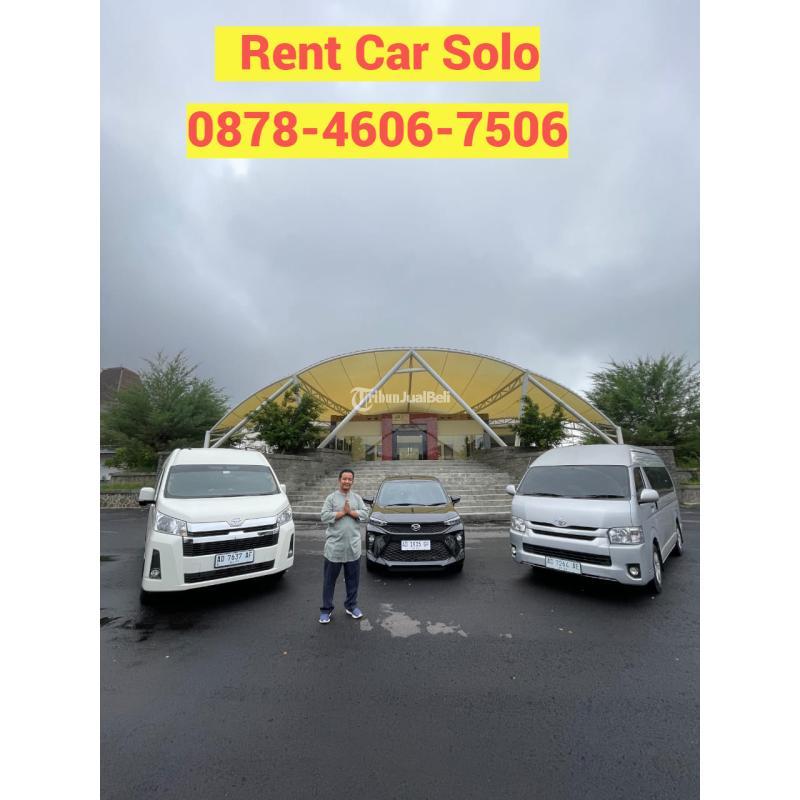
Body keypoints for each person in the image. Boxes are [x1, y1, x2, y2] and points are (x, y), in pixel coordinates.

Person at [318, 468, 369, 624]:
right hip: (334, 548)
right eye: (344, 479)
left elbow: (365, 513)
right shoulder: (331, 498)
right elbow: (324, 516)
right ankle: (326, 609)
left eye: (350, 479)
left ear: (352, 481)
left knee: (353, 581)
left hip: (353, 548)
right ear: (339, 480)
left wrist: (351, 512)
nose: (347, 481)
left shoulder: (357, 498)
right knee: (329, 581)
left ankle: (351, 606)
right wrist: (342, 513)